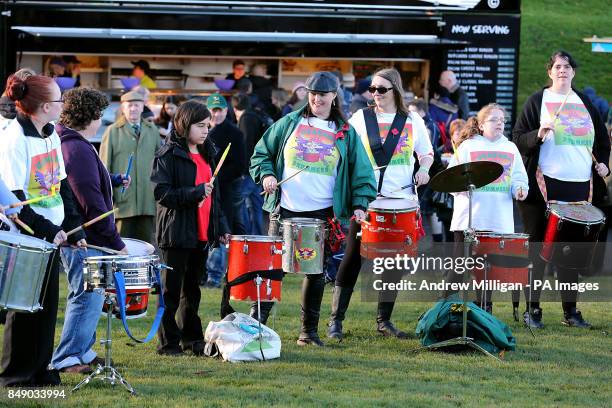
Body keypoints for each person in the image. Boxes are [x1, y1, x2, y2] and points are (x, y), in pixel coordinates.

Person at [249, 71, 376, 346]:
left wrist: (360, 204)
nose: (318, 98)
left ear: (334, 96)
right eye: (313, 93)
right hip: (284, 209)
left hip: (322, 213)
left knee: (316, 273)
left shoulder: (344, 132)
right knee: (272, 270)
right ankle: (254, 328)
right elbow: (261, 154)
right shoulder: (289, 123)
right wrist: (267, 175)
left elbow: (362, 172)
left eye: (323, 94)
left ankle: (308, 333)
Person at [327, 67, 434, 341]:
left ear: (395, 90)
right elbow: (343, 148)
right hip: (367, 200)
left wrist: (424, 169)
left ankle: (384, 320)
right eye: (372, 89)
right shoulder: (360, 119)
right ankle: (335, 321)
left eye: (381, 89)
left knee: (395, 264)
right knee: (352, 258)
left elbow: (426, 154)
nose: (375, 94)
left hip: (402, 199)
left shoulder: (411, 120)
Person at [512, 50, 610, 329]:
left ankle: (571, 312)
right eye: (557, 66)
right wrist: (538, 136)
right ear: (549, 71)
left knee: (570, 252)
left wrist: (604, 166)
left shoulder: (585, 102)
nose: (562, 71)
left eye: (567, 66)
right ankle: (533, 310)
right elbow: (518, 139)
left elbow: (602, 142)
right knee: (538, 251)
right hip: (544, 186)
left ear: (573, 72)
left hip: (579, 186)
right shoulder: (537, 101)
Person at [51, 87, 130, 374]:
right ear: (90, 116)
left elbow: (93, 184)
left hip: (90, 239)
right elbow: (91, 200)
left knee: (92, 298)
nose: (100, 120)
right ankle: (68, 357)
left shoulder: (74, 143)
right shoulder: (76, 147)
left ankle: (82, 351)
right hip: (87, 241)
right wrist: (115, 240)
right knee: (86, 297)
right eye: (98, 115)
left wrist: (114, 179)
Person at [0, 74, 70, 386]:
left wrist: (72, 229)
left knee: (47, 304)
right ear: (43, 106)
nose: (62, 105)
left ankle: (41, 369)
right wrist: (45, 230)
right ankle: (15, 375)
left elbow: (62, 185)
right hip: (26, 233)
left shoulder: (52, 134)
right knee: (24, 306)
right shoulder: (14, 139)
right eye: (58, 100)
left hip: (50, 233)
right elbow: (13, 200)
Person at [150, 100, 229, 355]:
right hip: (175, 232)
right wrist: (195, 192)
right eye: (200, 125)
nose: (206, 130)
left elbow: (214, 197)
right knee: (170, 291)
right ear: (185, 125)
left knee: (192, 289)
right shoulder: (168, 155)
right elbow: (162, 193)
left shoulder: (208, 152)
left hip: (201, 231)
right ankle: (168, 342)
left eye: (208, 125)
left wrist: (221, 227)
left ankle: (191, 338)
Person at [449, 103, 529, 310]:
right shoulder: (468, 146)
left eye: (502, 120)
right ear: (482, 125)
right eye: (494, 119)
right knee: (460, 266)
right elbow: (449, 179)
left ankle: (485, 308)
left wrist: (520, 189)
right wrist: (462, 187)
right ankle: (447, 307)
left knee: (487, 268)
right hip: (469, 218)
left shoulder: (510, 147)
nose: (500, 124)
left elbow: (520, 178)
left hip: (497, 218)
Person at [99, 90, 161, 242]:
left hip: (148, 201)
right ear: (123, 108)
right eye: (129, 105)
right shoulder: (112, 131)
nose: (133, 109)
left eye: (136, 105)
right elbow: (103, 169)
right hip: (122, 203)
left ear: (142, 107)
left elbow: (160, 165)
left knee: (147, 247)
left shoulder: (152, 130)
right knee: (122, 247)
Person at [232, 93, 265, 235]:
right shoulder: (256, 115)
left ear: (234, 107)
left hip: (249, 170)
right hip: (259, 168)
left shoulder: (246, 119)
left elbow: (246, 146)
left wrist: (242, 170)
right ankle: (256, 237)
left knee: (238, 199)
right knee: (255, 204)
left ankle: (244, 235)